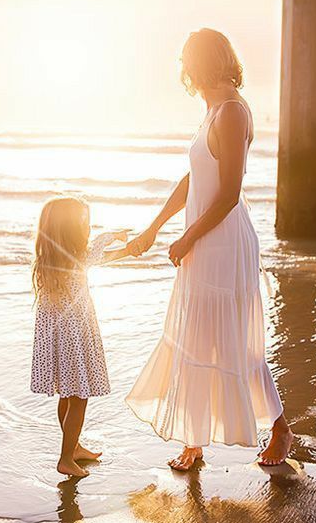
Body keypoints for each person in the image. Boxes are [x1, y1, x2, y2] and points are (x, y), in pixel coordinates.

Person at [126, 29, 293, 470]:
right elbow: (193, 181)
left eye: (187, 63)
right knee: (195, 337)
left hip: (223, 241)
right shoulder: (211, 111)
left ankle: (280, 428)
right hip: (203, 239)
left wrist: (187, 238)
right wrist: (154, 228)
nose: (185, 74)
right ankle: (194, 439)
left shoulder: (233, 112)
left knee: (236, 340)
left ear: (200, 65)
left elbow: (228, 195)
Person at [31, 196, 131, 478]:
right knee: (78, 397)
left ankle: (73, 447)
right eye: (84, 221)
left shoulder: (47, 261)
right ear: (70, 229)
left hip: (58, 340)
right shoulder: (77, 258)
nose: (88, 226)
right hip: (74, 339)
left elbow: (98, 255)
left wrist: (118, 243)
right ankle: (65, 458)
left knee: (67, 393)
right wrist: (121, 239)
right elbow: (101, 250)